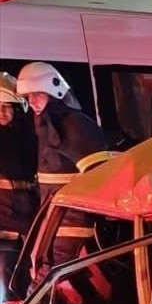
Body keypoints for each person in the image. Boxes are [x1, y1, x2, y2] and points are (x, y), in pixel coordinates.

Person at [16, 62, 107, 268]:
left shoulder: (76, 126)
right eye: (28, 97)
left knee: (60, 282)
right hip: (53, 223)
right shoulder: (45, 126)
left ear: (54, 90)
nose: (32, 102)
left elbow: (100, 177)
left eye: (38, 94)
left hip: (74, 228)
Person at [0, 71, 39, 297]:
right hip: (4, 228)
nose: (2, 113)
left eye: (7, 107)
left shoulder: (29, 139)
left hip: (27, 223)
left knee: (20, 280)